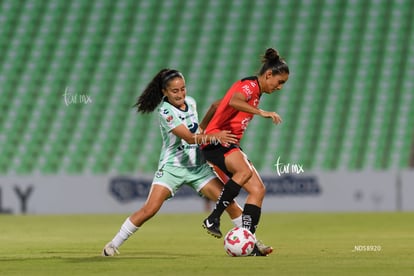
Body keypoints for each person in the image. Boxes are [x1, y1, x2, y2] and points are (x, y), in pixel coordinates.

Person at [102, 68, 245, 257]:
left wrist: (213, 111)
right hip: (172, 168)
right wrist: (214, 136)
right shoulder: (165, 112)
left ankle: (252, 243)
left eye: (183, 89)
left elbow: (199, 129)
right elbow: (189, 138)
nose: (180, 94)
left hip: (197, 167)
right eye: (175, 91)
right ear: (165, 92)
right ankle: (112, 245)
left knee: (230, 203)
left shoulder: (191, 102)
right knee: (149, 209)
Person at [201, 48, 289, 247]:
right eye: (280, 81)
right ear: (268, 75)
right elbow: (234, 101)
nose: (280, 87)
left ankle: (248, 241)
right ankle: (213, 217)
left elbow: (217, 105)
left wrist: (202, 128)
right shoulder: (249, 85)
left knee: (258, 189)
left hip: (228, 143)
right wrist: (261, 112)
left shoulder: (256, 92)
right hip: (219, 142)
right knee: (243, 171)